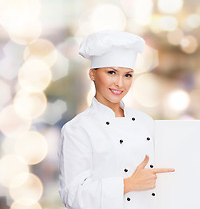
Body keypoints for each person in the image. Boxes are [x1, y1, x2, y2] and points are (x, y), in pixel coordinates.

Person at [57, 30, 175, 209]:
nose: (120, 83)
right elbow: (73, 196)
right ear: (92, 74)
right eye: (111, 73)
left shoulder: (146, 122)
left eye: (127, 75)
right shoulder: (77, 129)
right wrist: (128, 184)